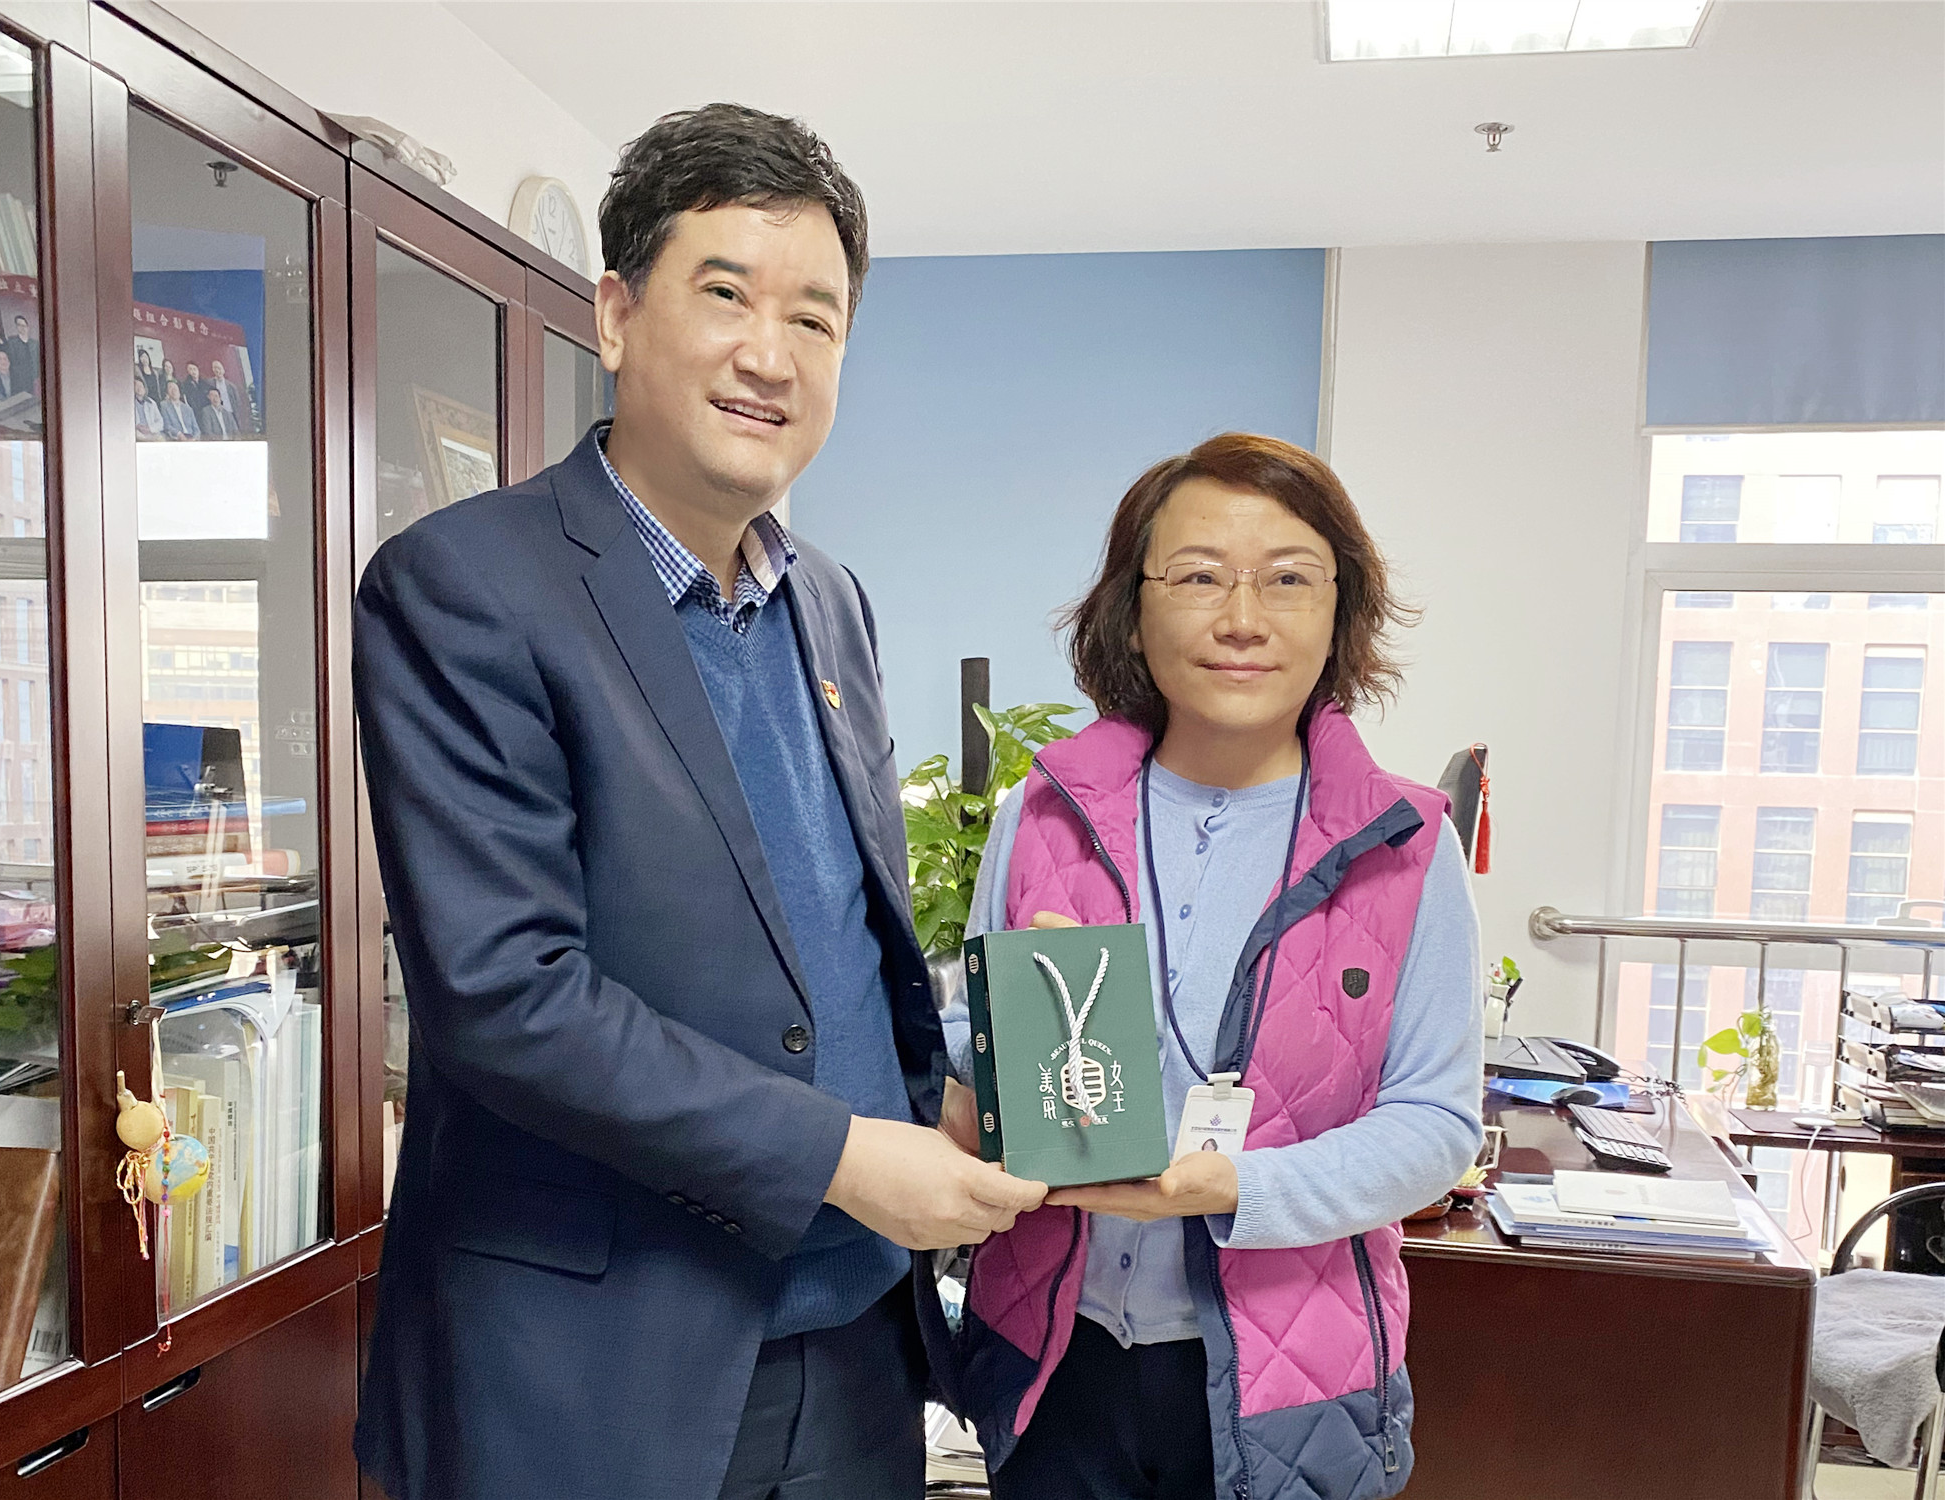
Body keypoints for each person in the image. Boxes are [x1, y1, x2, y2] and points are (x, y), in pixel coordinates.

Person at [351, 103, 1044, 1500]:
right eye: (725, 294)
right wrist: (840, 1153)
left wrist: (941, 1108)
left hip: (855, 1345)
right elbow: (508, 998)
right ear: (615, 316)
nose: (769, 355)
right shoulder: (465, 586)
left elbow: (839, 933)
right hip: (592, 1372)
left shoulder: (828, 601)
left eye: (814, 319)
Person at [942, 433, 1484, 1500]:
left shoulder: (1408, 846)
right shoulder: (1041, 813)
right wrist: (989, 1065)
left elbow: (1435, 1124)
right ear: (1131, 608)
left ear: (1339, 609)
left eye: (1287, 579)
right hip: (1053, 1359)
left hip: (1291, 1382)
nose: (1242, 618)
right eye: (1196, 577)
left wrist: (1239, 1187)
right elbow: (970, 1039)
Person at [209, 358, 250, 432]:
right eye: (215, 368)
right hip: (217, 413)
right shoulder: (210, 384)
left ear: (223, 370)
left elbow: (237, 401)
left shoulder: (231, 386)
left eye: (219, 368)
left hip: (230, 412)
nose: (217, 370)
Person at [7, 314, 39, 393]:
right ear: (16, 327)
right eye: (19, 325)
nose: (22, 328)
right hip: (18, 380)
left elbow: (37, 361)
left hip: (32, 379)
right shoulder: (12, 342)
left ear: (28, 327)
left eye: (24, 325)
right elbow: (11, 362)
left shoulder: (34, 344)